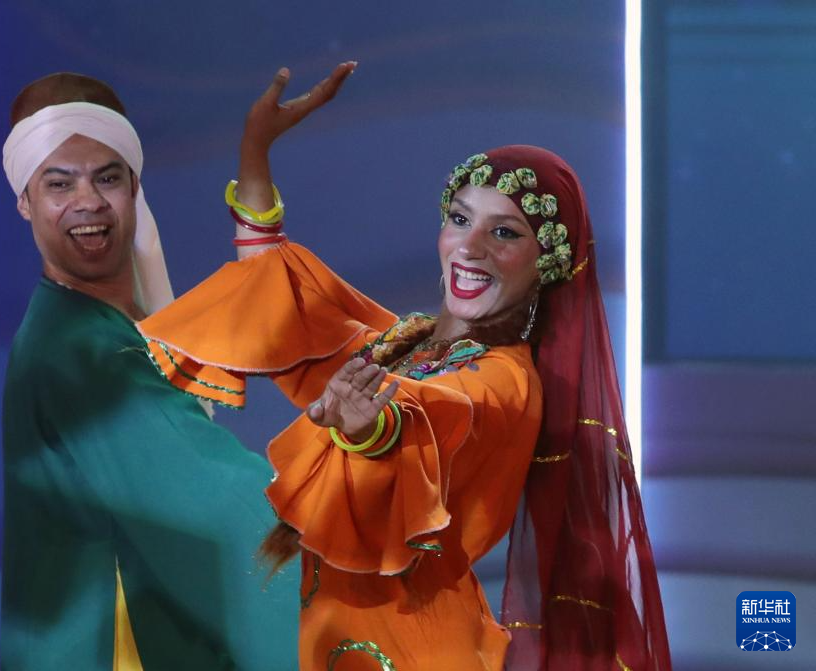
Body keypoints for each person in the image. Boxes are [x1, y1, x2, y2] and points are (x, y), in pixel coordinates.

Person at [137, 64, 672, 670]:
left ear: (545, 263)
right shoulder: (400, 346)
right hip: (332, 640)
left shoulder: (506, 381)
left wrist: (373, 430)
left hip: (413, 649)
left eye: (504, 233)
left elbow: (437, 413)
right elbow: (286, 303)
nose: (470, 247)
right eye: (461, 219)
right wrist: (255, 153)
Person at [0, 72, 298, 671]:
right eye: (59, 183)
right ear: (25, 200)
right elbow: (223, 507)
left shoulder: (108, 326)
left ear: (135, 186)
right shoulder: (78, 352)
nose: (88, 201)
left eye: (107, 178)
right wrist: (350, 526)